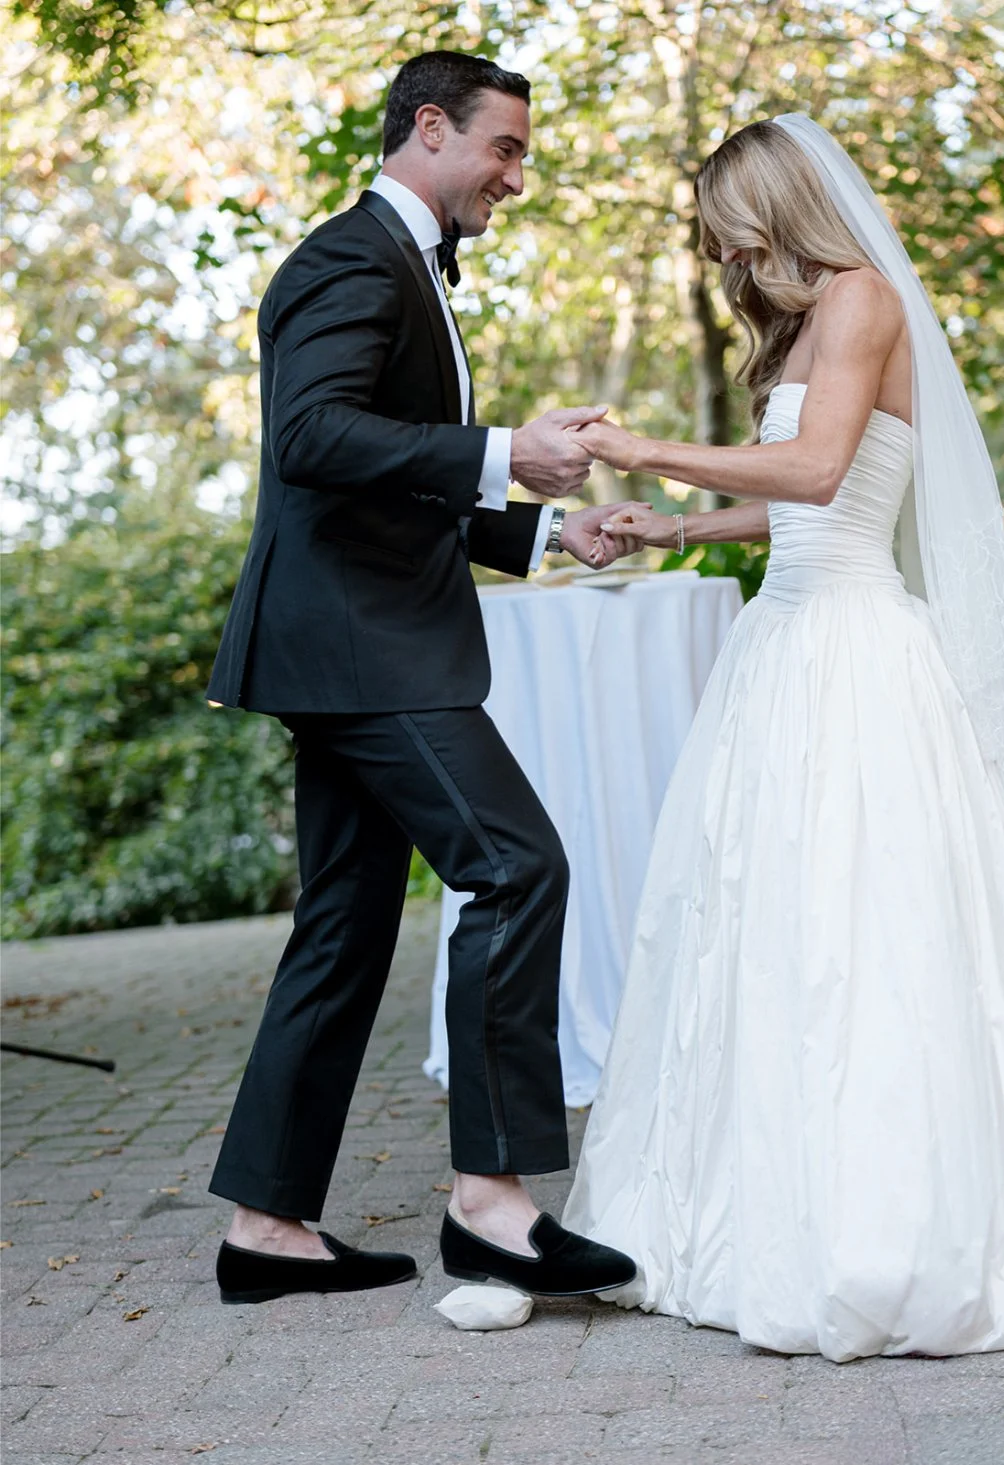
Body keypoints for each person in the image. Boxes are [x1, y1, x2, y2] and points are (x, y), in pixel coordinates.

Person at [563, 116, 1004, 1361]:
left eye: (728, 229)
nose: (722, 256)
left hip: (857, 651)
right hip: (784, 644)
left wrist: (636, 443)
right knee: (773, 927)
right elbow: (792, 501)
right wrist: (678, 531)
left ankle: (891, 1226)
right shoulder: (810, 325)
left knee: (873, 933)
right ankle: (767, 1206)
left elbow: (816, 475)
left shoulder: (860, 297)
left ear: (772, 205)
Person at [205, 50, 638, 1305]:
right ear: (430, 128)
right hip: (361, 642)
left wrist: (551, 529)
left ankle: (265, 1228)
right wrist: (507, 449)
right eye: (502, 149)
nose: (516, 176)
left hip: (349, 635)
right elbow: (312, 438)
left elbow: (391, 476)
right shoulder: (350, 257)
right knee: (515, 865)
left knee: (341, 925)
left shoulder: (400, 267)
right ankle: (493, 1203)